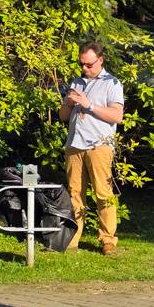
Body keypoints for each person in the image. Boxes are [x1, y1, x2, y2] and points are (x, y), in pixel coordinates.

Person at [58, 42, 125, 255]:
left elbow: (117, 116)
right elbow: (63, 117)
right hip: (74, 145)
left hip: (98, 146)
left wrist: (89, 105)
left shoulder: (111, 83)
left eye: (89, 64)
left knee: (103, 193)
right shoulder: (76, 82)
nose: (85, 68)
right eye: (81, 64)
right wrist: (68, 103)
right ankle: (73, 238)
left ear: (101, 60)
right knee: (75, 193)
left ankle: (108, 240)